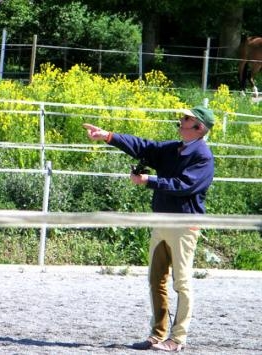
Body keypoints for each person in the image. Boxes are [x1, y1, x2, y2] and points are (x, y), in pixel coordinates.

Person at [83, 105, 215, 352]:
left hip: (184, 226)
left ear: (199, 128)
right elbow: (143, 146)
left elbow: (184, 185)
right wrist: (108, 136)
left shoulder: (203, 157)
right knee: (156, 280)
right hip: (161, 222)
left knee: (182, 283)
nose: (180, 120)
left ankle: (178, 339)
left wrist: (149, 181)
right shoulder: (173, 149)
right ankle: (158, 334)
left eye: (186, 119)